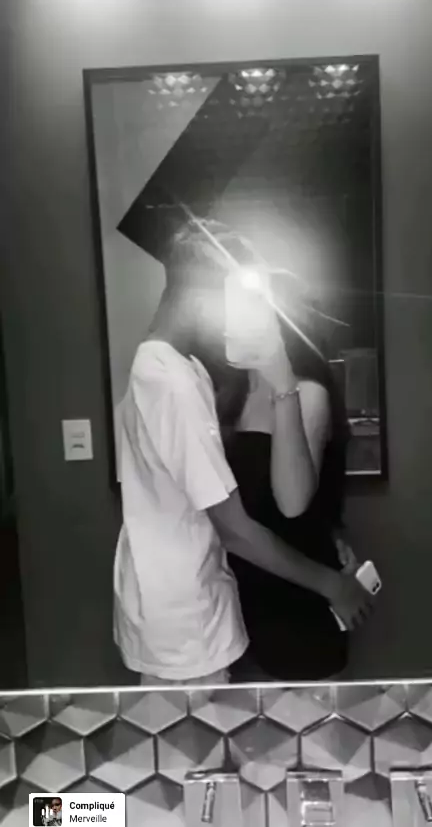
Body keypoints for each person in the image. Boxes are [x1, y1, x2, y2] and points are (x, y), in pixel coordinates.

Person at [114, 221, 371, 686]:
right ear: (204, 297)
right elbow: (232, 527)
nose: (240, 318)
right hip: (193, 616)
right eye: (237, 301)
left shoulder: (188, 371)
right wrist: (332, 583)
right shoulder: (176, 380)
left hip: (238, 603)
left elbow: (288, 500)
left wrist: (282, 380)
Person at [199, 225, 366, 681]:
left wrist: (282, 383)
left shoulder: (306, 393)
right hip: (238, 602)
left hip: (297, 611)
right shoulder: (226, 394)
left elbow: (292, 504)